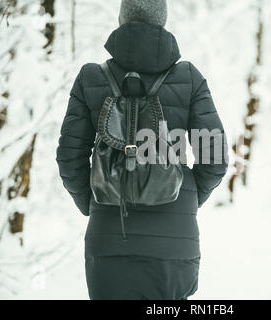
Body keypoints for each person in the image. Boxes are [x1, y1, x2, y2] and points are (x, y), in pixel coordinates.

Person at [56, 0, 228, 300]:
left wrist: (94, 201)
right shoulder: (189, 78)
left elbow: (69, 159)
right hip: (174, 246)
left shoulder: (90, 77)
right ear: (163, 21)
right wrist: (185, 196)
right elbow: (214, 157)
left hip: (109, 243)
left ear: (121, 20)